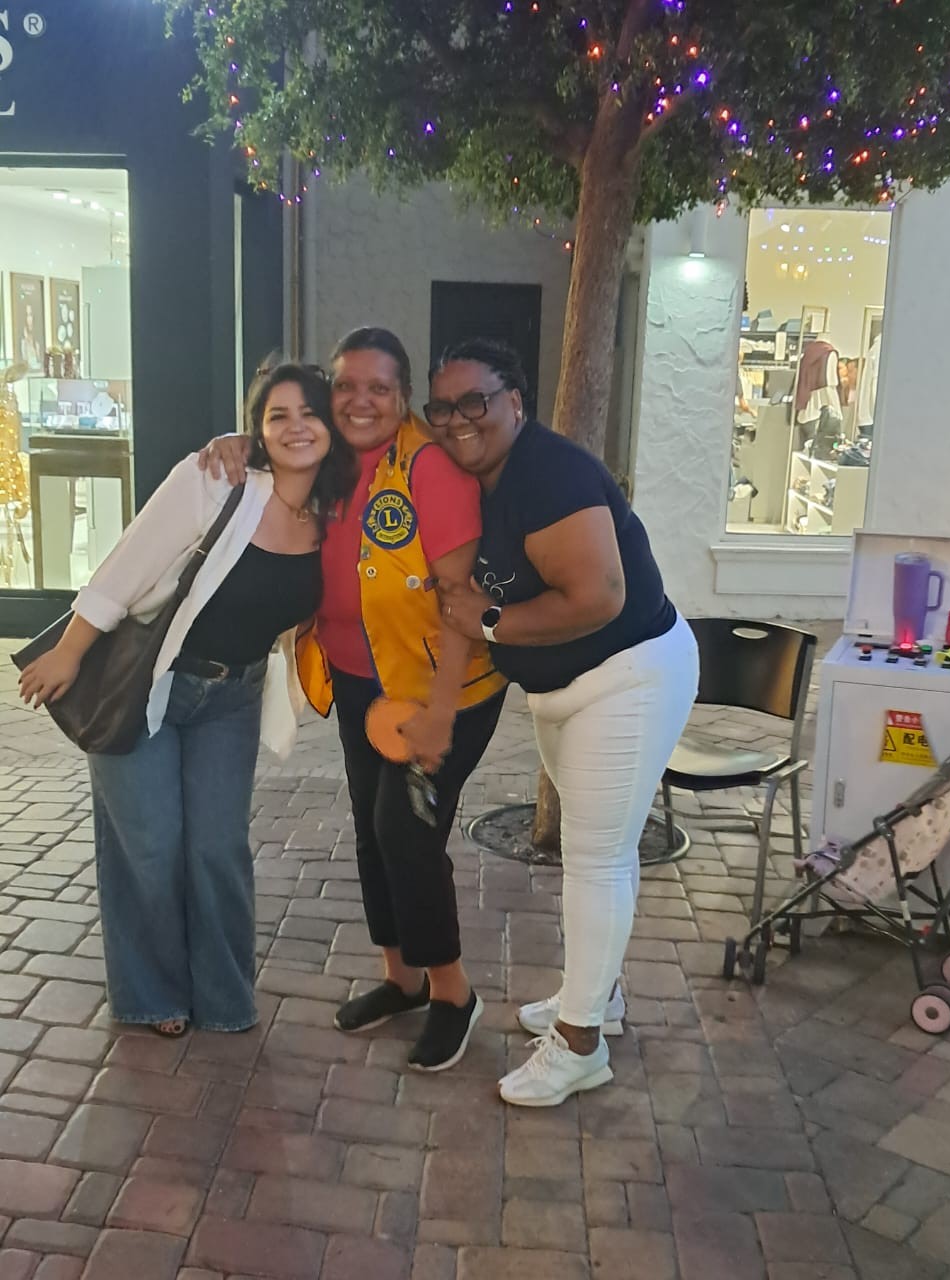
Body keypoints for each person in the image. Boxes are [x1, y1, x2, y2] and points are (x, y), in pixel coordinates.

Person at [200, 328, 507, 1072]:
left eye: (378, 387)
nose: (359, 401)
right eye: (345, 386)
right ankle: (401, 979)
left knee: (406, 832)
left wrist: (440, 714)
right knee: (372, 831)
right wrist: (238, 442)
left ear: (404, 397)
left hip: (437, 690)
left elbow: (460, 602)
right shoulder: (330, 460)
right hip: (358, 681)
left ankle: (453, 993)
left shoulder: (429, 467)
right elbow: (274, 451)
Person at [17, 362, 356, 1037]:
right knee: (149, 846)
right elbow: (128, 563)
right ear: (257, 429)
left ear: (331, 427)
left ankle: (226, 997)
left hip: (233, 699)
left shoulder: (332, 515)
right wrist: (70, 650)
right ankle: (153, 996)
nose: (296, 427)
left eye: (310, 413)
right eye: (278, 415)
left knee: (217, 851)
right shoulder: (217, 481)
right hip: (151, 683)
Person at [427, 338, 699, 1108]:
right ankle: (596, 998)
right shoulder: (476, 474)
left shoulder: (549, 473)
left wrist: (488, 620)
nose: (458, 419)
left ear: (516, 401)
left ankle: (581, 1046)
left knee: (596, 860)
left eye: (475, 400)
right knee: (601, 850)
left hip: (627, 676)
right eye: (442, 407)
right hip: (568, 690)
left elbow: (599, 597)